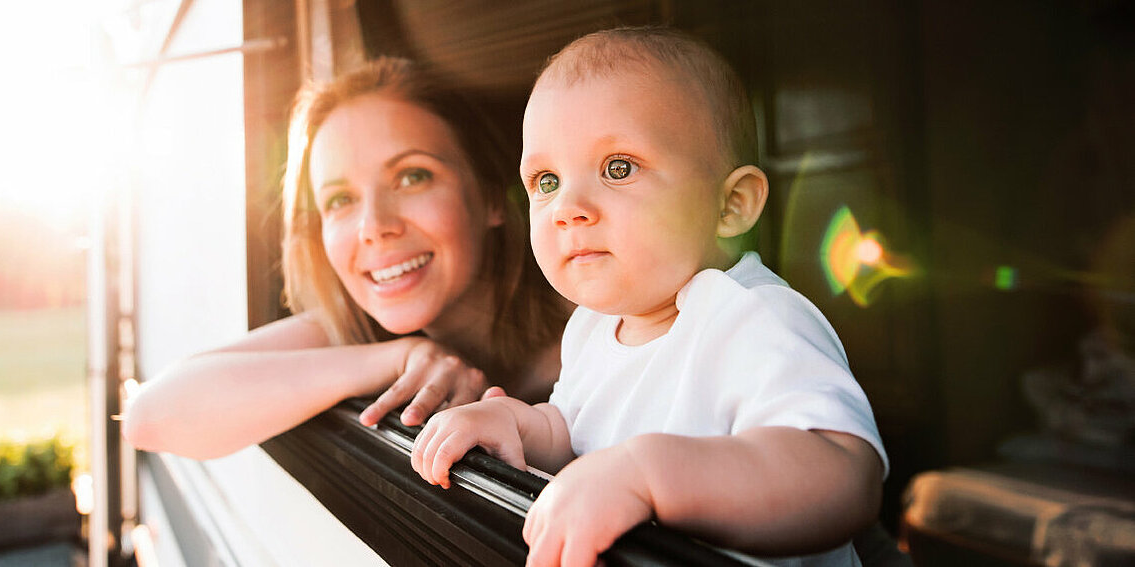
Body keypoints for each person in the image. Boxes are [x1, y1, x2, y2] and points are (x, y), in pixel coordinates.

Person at [410, 27, 887, 566]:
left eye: (619, 168)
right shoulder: (593, 326)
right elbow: (575, 432)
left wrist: (649, 475)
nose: (568, 206)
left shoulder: (752, 316)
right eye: (546, 180)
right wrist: (518, 425)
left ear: (730, 206)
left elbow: (843, 475)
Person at [123, 57, 570, 459]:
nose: (373, 226)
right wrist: (398, 358)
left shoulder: (605, 328)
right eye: (340, 200)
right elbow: (151, 417)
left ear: (491, 197)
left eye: (412, 176)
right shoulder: (354, 326)